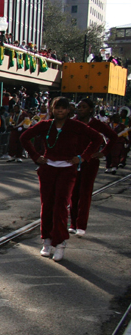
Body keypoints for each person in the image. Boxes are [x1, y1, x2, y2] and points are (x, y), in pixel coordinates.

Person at [20, 97, 103, 262]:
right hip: (48, 169)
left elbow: (97, 139)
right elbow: (24, 138)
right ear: (52, 109)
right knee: (47, 205)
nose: (60, 111)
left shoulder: (76, 126)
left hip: (67, 170)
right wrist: (36, 156)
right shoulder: (45, 125)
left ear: (68, 111)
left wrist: (83, 157)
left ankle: (60, 243)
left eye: (63, 108)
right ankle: (47, 241)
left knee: (60, 205)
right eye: (57, 108)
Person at [68, 98, 118, 237]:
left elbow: (113, 137)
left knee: (85, 193)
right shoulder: (73, 122)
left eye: (83, 107)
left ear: (90, 109)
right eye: (79, 107)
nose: (80, 109)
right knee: (73, 193)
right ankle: (73, 223)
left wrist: (103, 152)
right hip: (74, 161)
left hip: (90, 162)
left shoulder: (97, 124)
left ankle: (81, 225)